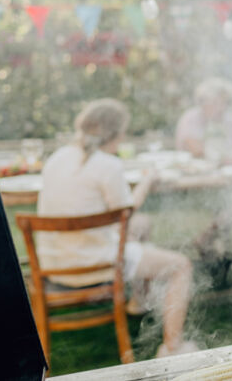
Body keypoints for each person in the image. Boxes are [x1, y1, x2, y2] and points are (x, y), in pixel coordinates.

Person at [38, 98, 197, 358]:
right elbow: (126, 212)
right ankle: (172, 347)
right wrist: (146, 182)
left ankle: (137, 302)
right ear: (115, 134)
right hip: (96, 264)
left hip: (54, 263)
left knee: (143, 225)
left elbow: (119, 218)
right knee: (181, 265)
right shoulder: (107, 165)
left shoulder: (56, 158)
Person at [175, 77, 232, 162]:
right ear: (203, 102)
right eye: (216, 102)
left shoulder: (230, 120)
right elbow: (196, 149)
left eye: (226, 102)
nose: (222, 108)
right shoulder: (190, 118)